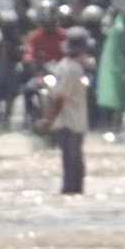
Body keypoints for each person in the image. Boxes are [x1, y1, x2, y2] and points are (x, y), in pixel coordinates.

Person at [28, 36, 87, 193]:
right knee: (74, 167)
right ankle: (72, 193)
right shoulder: (73, 69)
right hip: (72, 124)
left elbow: (54, 97)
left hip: (68, 123)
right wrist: (48, 121)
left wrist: (48, 120)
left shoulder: (63, 66)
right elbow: (59, 98)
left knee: (71, 164)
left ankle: (71, 192)